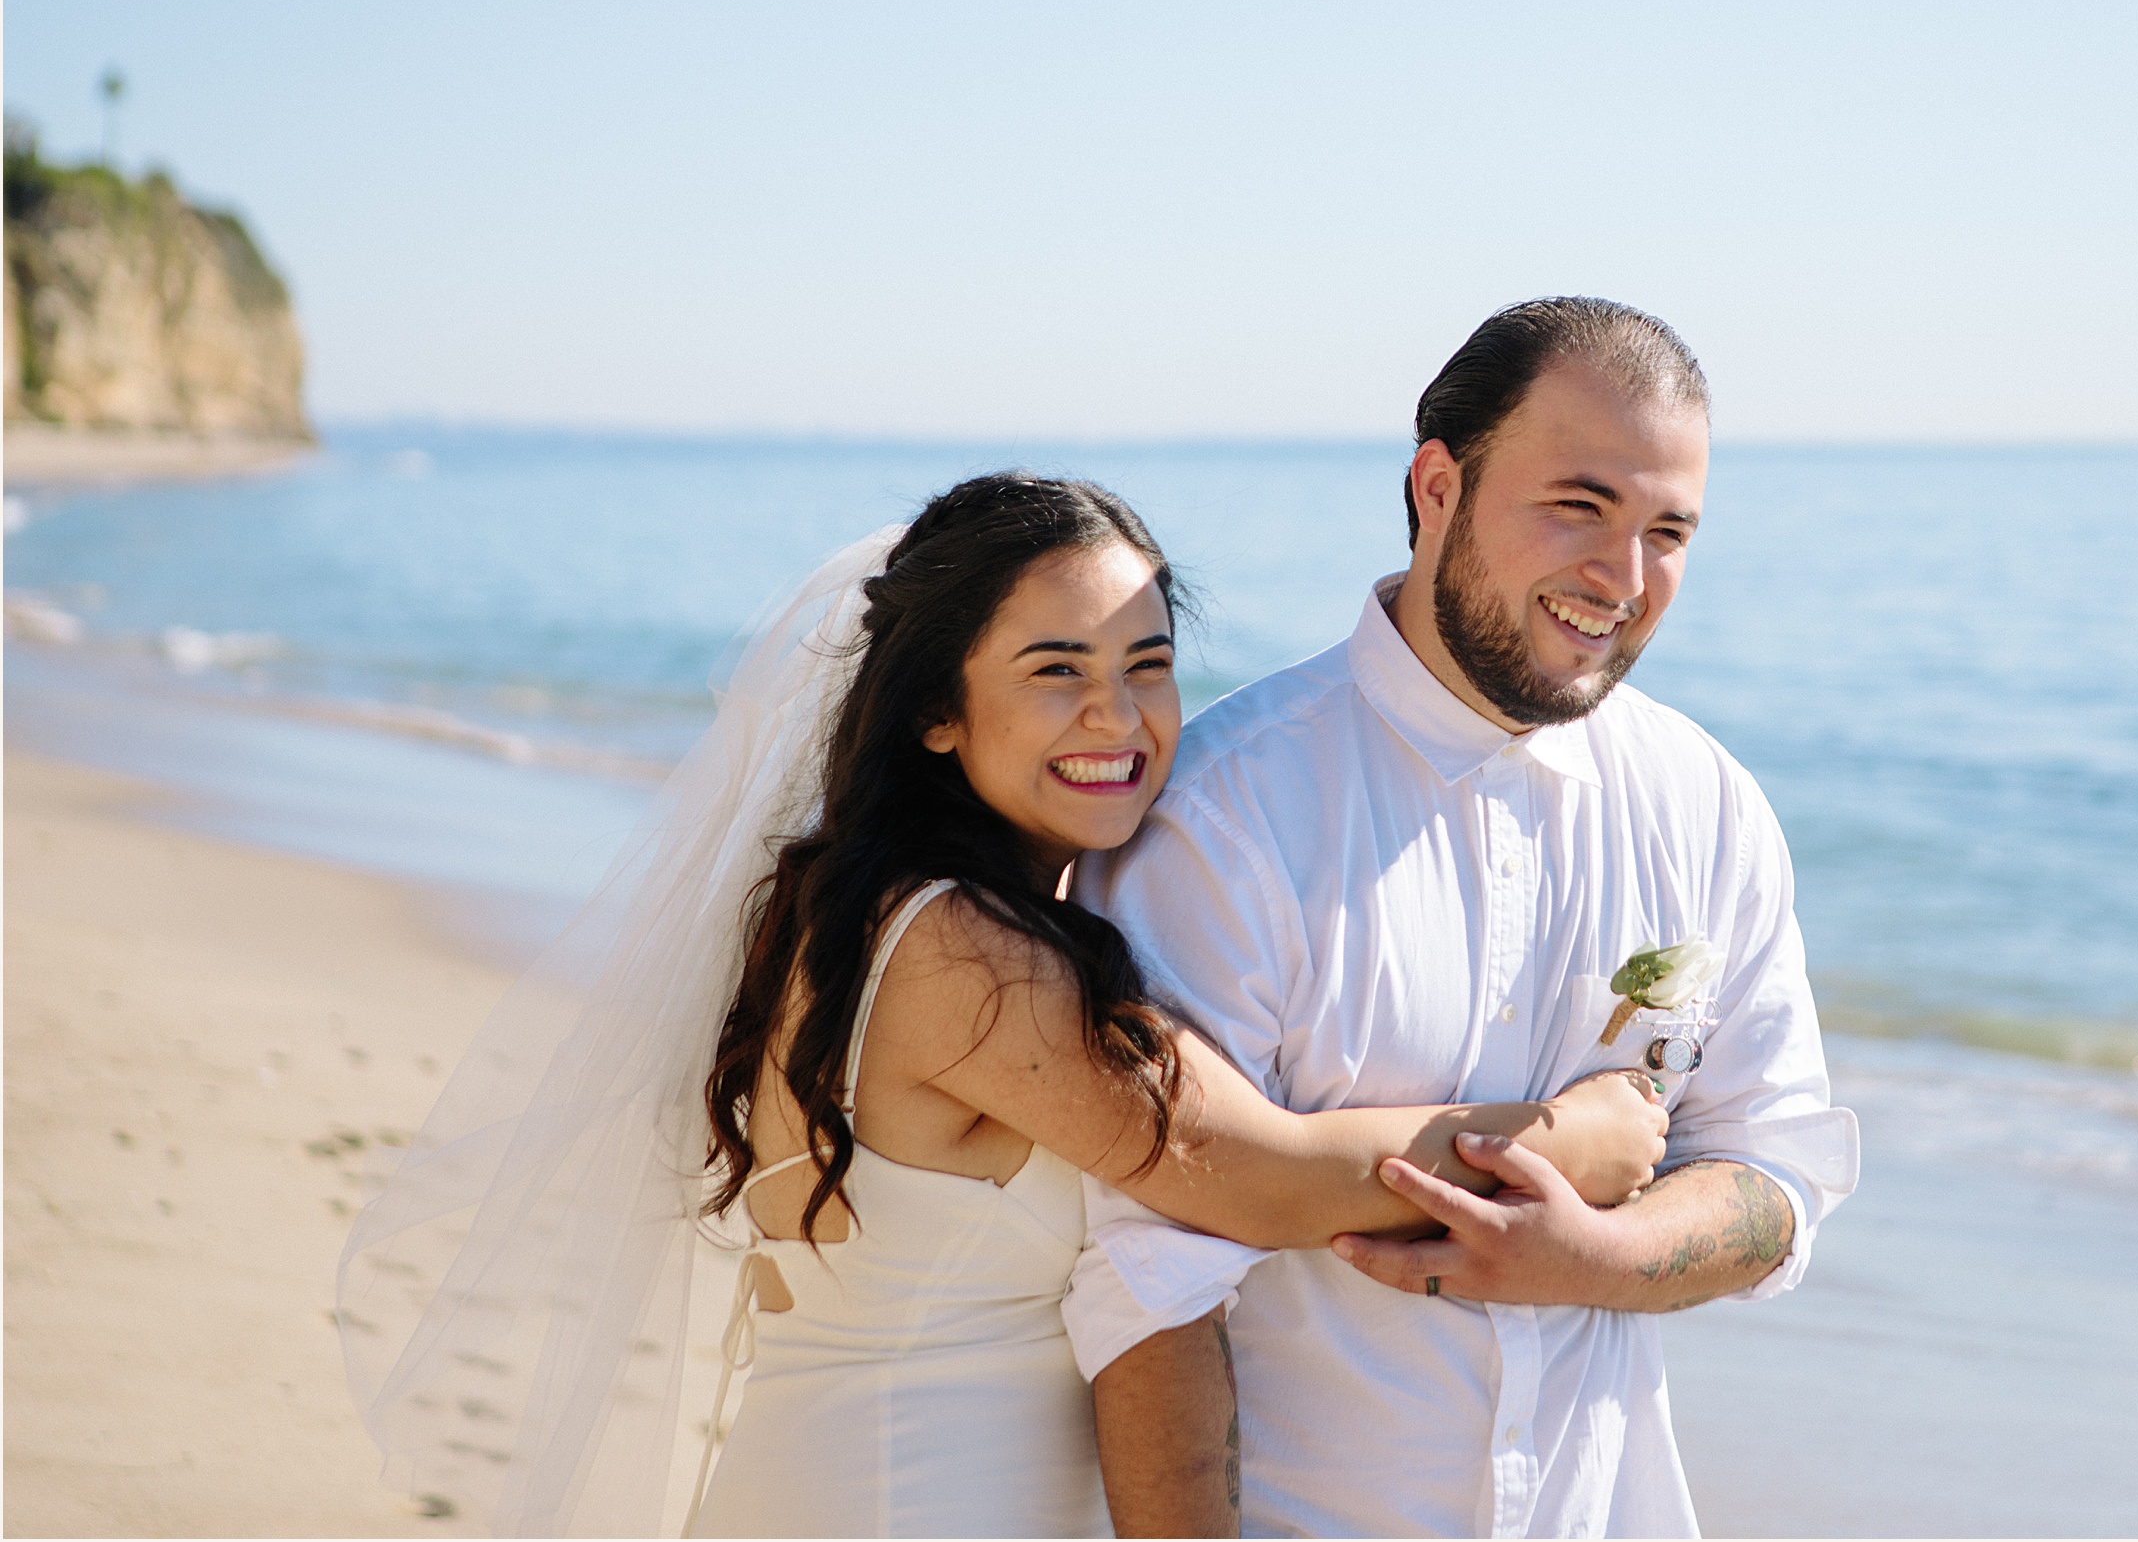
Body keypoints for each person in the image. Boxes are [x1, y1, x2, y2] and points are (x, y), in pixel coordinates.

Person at [337, 472, 1665, 1538]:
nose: (1120, 714)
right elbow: (1253, 1174)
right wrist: (1576, 1138)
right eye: (1054, 669)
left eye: (1147, 663)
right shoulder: (957, 952)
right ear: (935, 713)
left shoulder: (891, 905)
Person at [1068, 297, 1863, 1538]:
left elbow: (1774, 1175)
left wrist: (1591, 1259)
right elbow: (1147, 1278)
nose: (1625, 576)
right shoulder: (1228, 813)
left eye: (1669, 530)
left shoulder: (1707, 804)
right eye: (1579, 506)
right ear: (1438, 485)